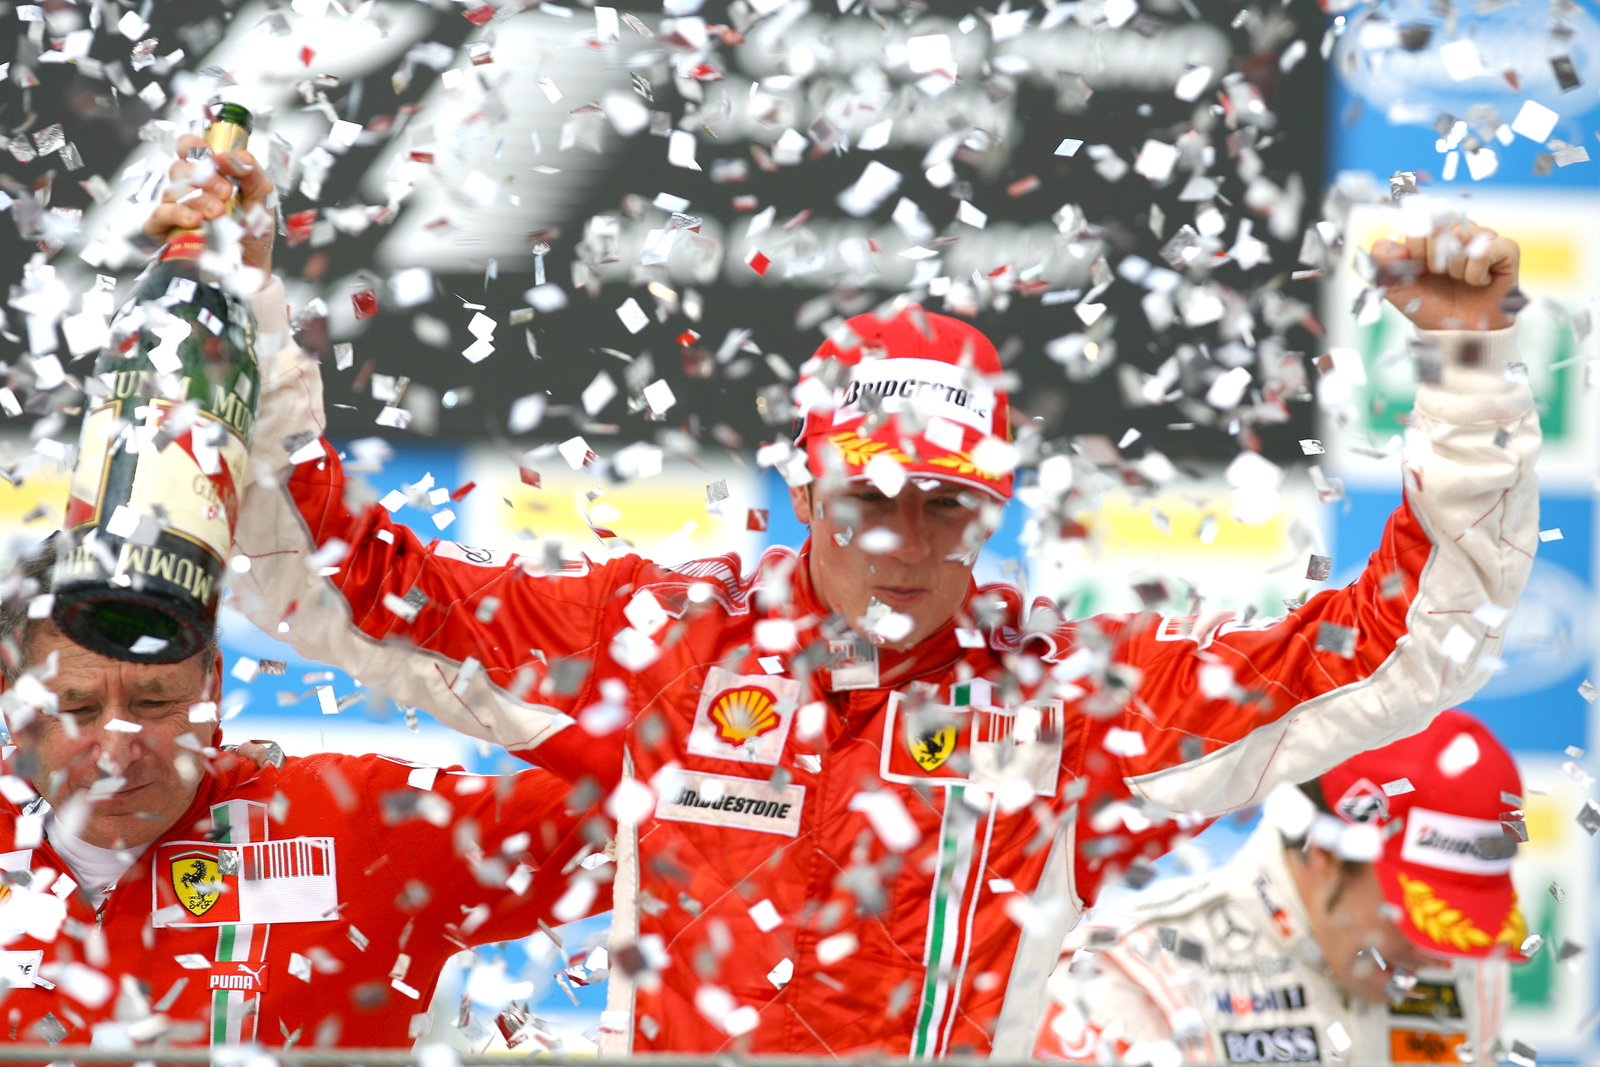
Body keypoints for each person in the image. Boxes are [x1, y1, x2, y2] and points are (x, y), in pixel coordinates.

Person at [147, 133, 1541, 1056]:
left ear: (994, 510)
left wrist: (1471, 374)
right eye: (867, 496)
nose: (903, 540)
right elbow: (330, 583)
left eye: (948, 505)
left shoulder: (1073, 701)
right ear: (805, 485)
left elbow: (1409, 640)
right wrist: (246, 305)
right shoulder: (659, 646)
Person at [0, 544, 600, 1051]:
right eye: (74, 709)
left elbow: (656, 808)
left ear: (212, 686)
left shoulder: (363, 823)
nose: (114, 750)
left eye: (154, 705)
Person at [1034, 709, 1525, 1066]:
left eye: (1469, 925)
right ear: (1326, 857)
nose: (1442, 959)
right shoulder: (1130, 977)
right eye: (1419, 923)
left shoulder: (1469, 970)